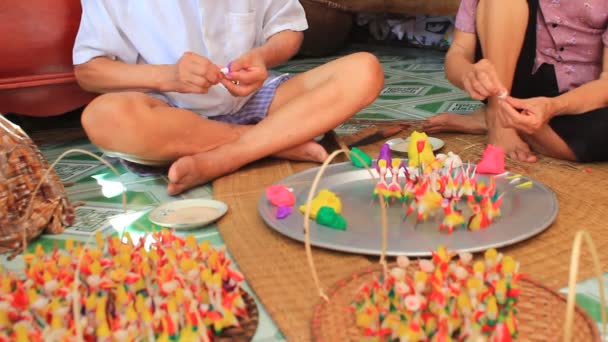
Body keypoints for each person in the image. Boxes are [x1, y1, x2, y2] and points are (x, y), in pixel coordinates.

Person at [73, 1, 384, 195]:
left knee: (364, 70)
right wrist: (166, 76)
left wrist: (263, 56)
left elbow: (288, 29)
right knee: (104, 117)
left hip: (251, 101)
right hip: (167, 115)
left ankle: (223, 157)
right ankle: (271, 142)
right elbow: (88, 70)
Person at [423, 0, 608, 163]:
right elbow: (458, 54)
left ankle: (504, 120)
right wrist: (467, 74)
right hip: (508, 89)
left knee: (599, 132)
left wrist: (554, 106)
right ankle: (500, 120)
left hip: (582, 101)